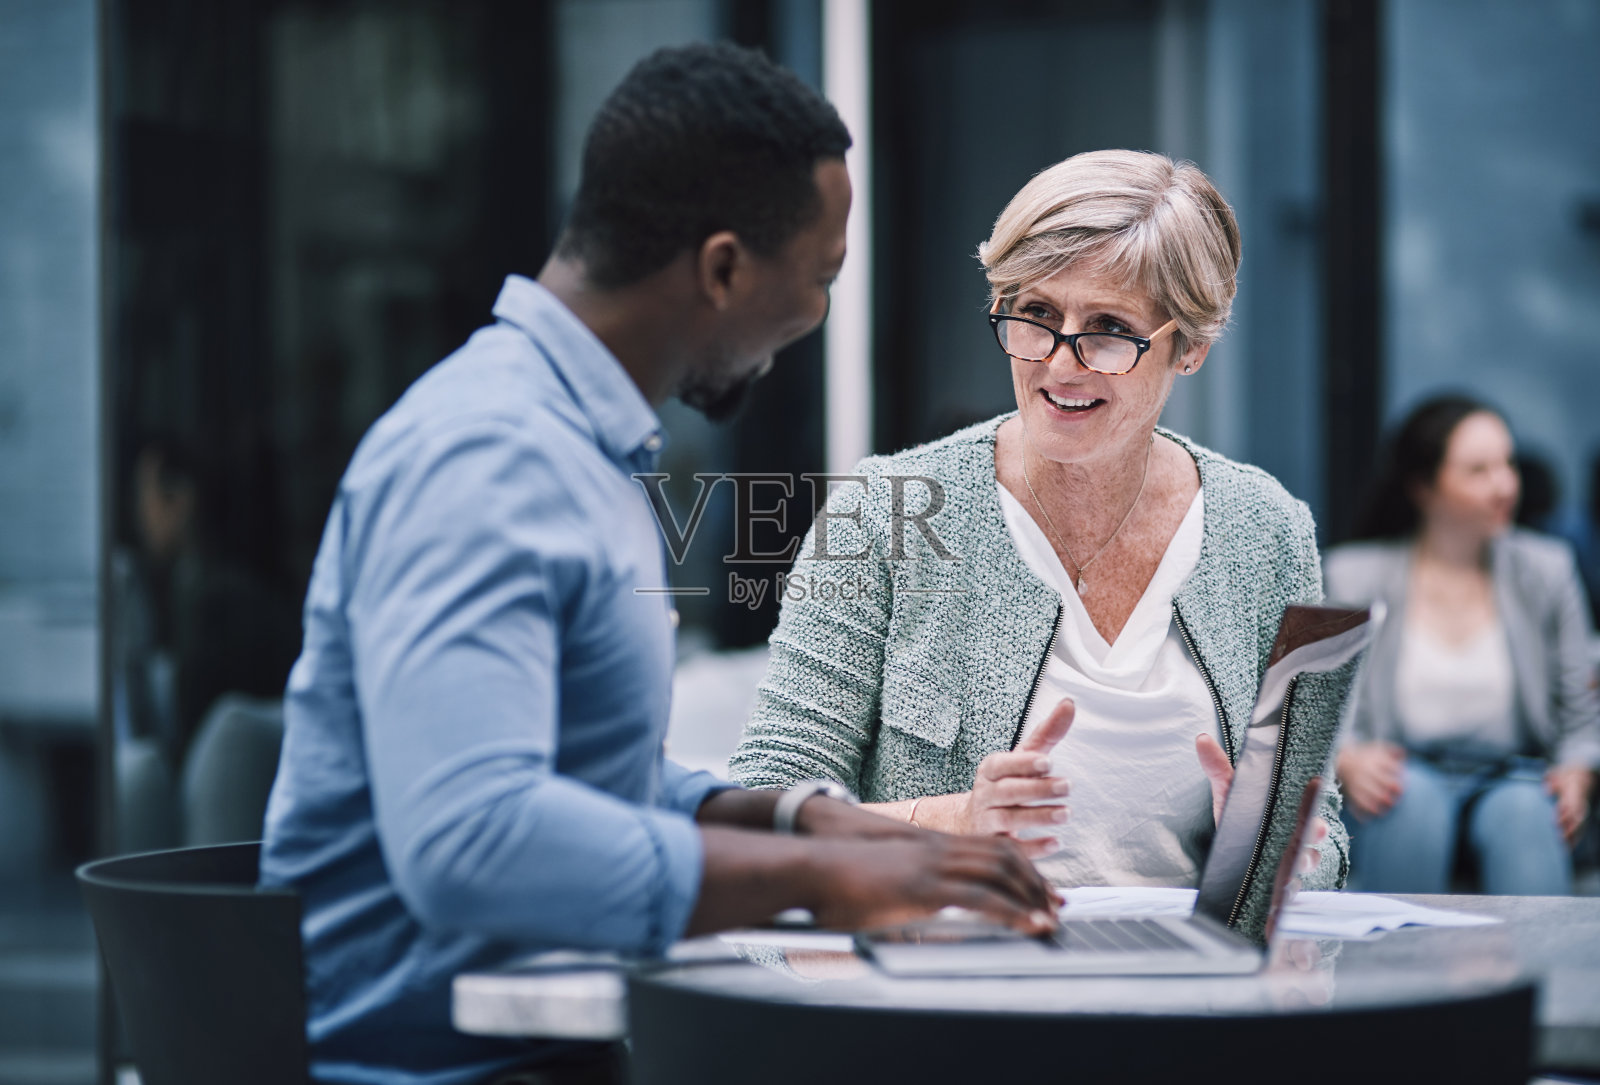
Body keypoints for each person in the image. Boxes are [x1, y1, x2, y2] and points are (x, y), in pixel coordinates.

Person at [259, 43, 1056, 1085]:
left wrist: (799, 818)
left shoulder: (574, 445)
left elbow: (582, 779)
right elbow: (472, 837)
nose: (817, 318)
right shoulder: (488, 457)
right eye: (818, 280)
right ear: (722, 269)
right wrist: (814, 878)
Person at [731, 149, 1350, 899]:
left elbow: (1321, 833)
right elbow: (764, 808)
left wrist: (1279, 855)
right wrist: (954, 820)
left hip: (1186, 966)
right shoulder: (884, 509)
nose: (1060, 364)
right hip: (958, 960)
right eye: (1037, 315)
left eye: (1109, 328)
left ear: (1190, 348)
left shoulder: (1266, 530)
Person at [1325, 395, 1600, 894]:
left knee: (1527, 814)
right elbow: (1320, 709)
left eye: (1508, 464)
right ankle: (1398, 949)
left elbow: (1581, 713)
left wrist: (1577, 773)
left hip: (1516, 776)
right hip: (1403, 775)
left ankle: (1538, 951)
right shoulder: (1354, 576)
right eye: (1478, 471)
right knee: (1409, 802)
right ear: (1424, 487)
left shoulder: (1548, 570)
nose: (1506, 485)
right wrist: (1348, 759)